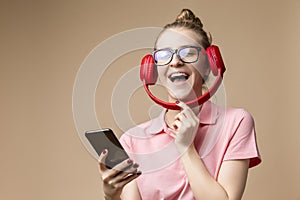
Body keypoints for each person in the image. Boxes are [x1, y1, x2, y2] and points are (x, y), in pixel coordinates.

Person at [98, 8, 261, 200]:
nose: (175, 61)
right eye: (164, 55)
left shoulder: (236, 122)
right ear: (152, 70)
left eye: (188, 52)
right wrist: (112, 196)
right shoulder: (131, 141)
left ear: (210, 65)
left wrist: (186, 148)